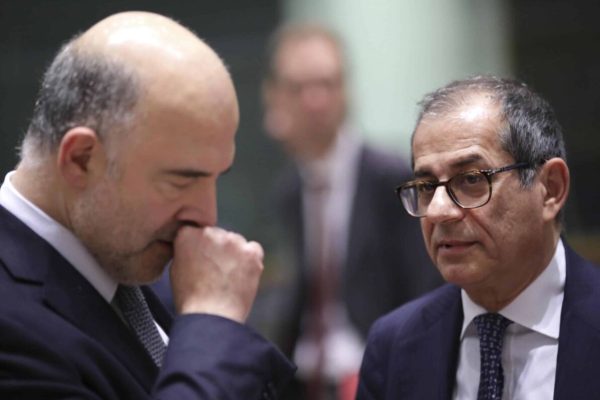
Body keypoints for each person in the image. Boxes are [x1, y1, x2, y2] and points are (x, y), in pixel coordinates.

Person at [0, 11, 295, 399]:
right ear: (81, 158)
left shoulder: (126, 260)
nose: (207, 215)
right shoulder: (11, 323)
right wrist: (211, 320)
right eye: (181, 180)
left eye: (216, 177)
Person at [357, 75, 600, 399]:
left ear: (550, 189)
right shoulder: (393, 344)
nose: (439, 211)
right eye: (427, 187)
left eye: (471, 179)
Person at [261, 23, 441, 399]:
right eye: (299, 88)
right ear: (275, 97)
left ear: (346, 90)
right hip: (305, 379)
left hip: (375, 373)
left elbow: (424, 295)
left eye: (327, 84)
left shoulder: (393, 178)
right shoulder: (289, 189)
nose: (316, 100)